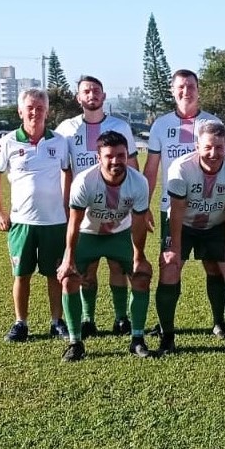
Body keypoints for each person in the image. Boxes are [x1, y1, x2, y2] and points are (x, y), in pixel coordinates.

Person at [143, 69, 225, 338]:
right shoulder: (160, 125)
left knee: (214, 265)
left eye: (190, 86)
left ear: (198, 89)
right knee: (170, 263)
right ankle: (165, 324)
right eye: (180, 86)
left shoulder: (213, 123)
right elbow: (152, 168)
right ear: (172, 90)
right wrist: (144, 205)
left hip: (211, 209)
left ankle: (218, 321)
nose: (186, 91)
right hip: (173, 209)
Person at [55, 131, 152, 361]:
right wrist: (68, 257)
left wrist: (139, 255)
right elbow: (74, 222)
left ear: (127, 155)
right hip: (87, 235)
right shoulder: (85, 181)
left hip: (120, 235)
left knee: (142, 275)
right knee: (69, 278)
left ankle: (137, 339)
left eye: (121, 155)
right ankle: (75, 341)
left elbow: (138, 224)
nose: (116, 161)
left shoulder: (139, 182)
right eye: (109, 156)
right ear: (98, 157)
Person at [55, 75, 140, 337]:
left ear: (104, 96)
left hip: (118, 207)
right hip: (83, 209)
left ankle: (121, 319)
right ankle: (88, 319)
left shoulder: (120, 126)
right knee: (86, 269)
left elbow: (133, 164)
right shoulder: (65, 128)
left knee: (118, 266)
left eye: (96, 91)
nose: (91, 95)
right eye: (86, 91)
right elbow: (63, 168)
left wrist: (139, 201)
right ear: (78, 98)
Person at [154, 121, 225, 355]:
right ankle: (168, 337)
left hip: (216, 225)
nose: (213, 153)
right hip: (182, 225)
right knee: (170, 268)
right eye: (208, 147)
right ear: (197, 146)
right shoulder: (182, 168)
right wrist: (174, 247)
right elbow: (176, 211)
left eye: (219, 147)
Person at [0, 88, 70, 342]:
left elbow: (68, 171)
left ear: (48, 111)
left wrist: (67, 206)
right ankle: (20, 323)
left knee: (54, 274)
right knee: (21, 274)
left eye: (40, 108)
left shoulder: (59, 141)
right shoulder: (8, 141)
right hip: (21, 222)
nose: (35, 112)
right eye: (30, 108)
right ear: (20, 111)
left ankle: (57, 321)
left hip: (54, 221)